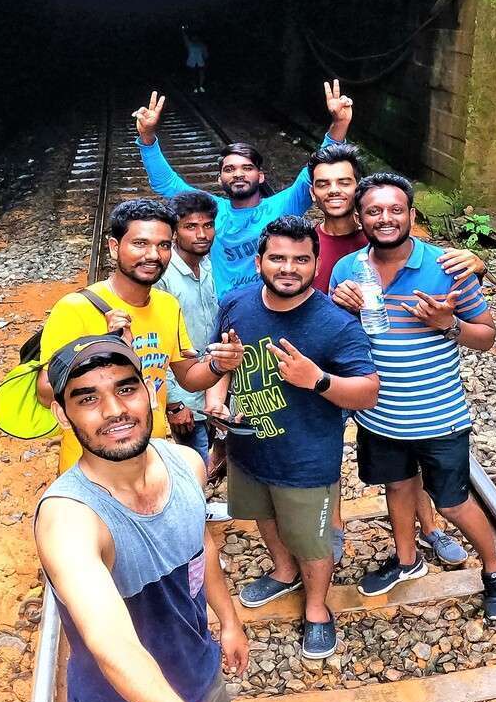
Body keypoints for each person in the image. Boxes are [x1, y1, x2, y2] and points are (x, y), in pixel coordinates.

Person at [33, 334, 256, 702]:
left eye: (125, 388)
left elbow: (199, 544)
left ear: (150, 390)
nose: (113, 411)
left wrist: (228, 621)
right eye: (87, 398)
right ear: (62, 413)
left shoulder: (186, 464)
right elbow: (109, 643)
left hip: (196, 670)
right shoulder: (68, 518)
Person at [329, 173, 496, 620]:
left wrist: (447, 325)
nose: (385, 219)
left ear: (412, 215)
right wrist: (340, 307)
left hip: (438, 416)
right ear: (360, 218)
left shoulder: (448, 267)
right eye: (374, 211)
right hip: (378, 416)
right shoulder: (347, 269)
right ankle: (407, 560)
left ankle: (494, 568)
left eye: (396, 210)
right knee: (396, 485)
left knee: (451, 501)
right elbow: (341, 337)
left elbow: (486, 336)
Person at [306, 143, 483, 568]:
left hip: (423, 402)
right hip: (352, 382)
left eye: (344, 182)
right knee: (375, 469)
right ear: (312, 192)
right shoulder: (312, 243)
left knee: (428, 480)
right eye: (324, 183)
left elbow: (481, 327)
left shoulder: (436, 260)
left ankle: (436, 531)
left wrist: (477, 266)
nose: (334, 190)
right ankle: (336, 532)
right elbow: (309, 306)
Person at [216, 217, 379, 658]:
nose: (289, 267)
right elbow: (224, 362)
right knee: (263, 517)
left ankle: (316, 608)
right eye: (279, 258)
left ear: (315, 262)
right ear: (260, 260)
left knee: (313, 540)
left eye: (301, 259)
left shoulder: (336, 324)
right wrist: (217, 399)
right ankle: (283, 571)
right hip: (248, 446)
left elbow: (368, 391)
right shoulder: (235, 303)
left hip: (306, 459)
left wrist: (318, 380)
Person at [38, 198, 238, 472]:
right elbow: (45, 391)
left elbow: (189, 377)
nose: (153, 255)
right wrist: (110, 350)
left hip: (149, 452)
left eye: (163, 245)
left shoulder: (167, 305)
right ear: (114, 247)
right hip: (93, 464)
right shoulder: (76, 308)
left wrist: (218, 365)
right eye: (140, 244)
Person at [133, 81, 354, 294]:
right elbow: (167, 184)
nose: (238, 174)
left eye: (247, 168)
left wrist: (339, 124)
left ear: (260, 176)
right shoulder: (211, 211)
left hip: (271, 306)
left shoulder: (282, 206)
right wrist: (147, 136)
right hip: (225, 309)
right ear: (220, 179)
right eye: (229, 169)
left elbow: (315, 170)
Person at [156, 190, 226, 474]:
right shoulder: (163, 277)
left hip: (212, 380)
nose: (202, 234)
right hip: (183, 391)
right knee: (190, 464)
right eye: (190, 226)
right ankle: (195, 515)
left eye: (207, 225)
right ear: (174, 232)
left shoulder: (208, 265)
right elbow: (157, 344)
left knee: (206, 452)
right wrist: (174, 403)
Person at [180, 25, 208, 94]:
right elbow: (185, 38)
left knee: (201, 75)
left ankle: (200, 86)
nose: (194, 38)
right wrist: (183, 30)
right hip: (191, 63)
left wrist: (206, 59)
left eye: (196, 37)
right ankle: (195, 87)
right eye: (193, 37)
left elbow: (205, 53)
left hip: (200, 62)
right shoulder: (190, 44)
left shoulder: (201, 45)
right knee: (193, 76)